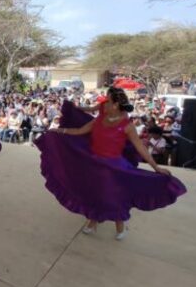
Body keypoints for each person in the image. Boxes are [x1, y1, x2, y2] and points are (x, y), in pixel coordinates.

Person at [35, 88, 187, 240]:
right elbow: (79, 131)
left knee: (113, 197)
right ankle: (93, 222)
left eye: (108, 101)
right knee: (95, 193)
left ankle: (119, 227)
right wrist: (58, 131)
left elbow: (140, 147)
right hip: (95, 164)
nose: (104, 103)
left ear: (115, 105)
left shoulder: (127, 125)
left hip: (115, 168)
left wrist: (156, 167)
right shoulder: (99, 119)